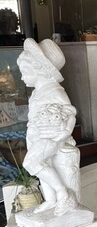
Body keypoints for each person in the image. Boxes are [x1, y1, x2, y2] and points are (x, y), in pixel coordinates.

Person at [17, 38, 80, 216]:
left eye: (24, 72)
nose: (21, 77)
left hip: (50, 136)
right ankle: (51, 200)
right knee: (44, 164)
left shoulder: (54, 90)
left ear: (38, 68)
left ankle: (62, 193)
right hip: (36, 135)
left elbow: (71, 113)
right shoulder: (37, 92)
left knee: (31, 162)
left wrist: (65, 132)